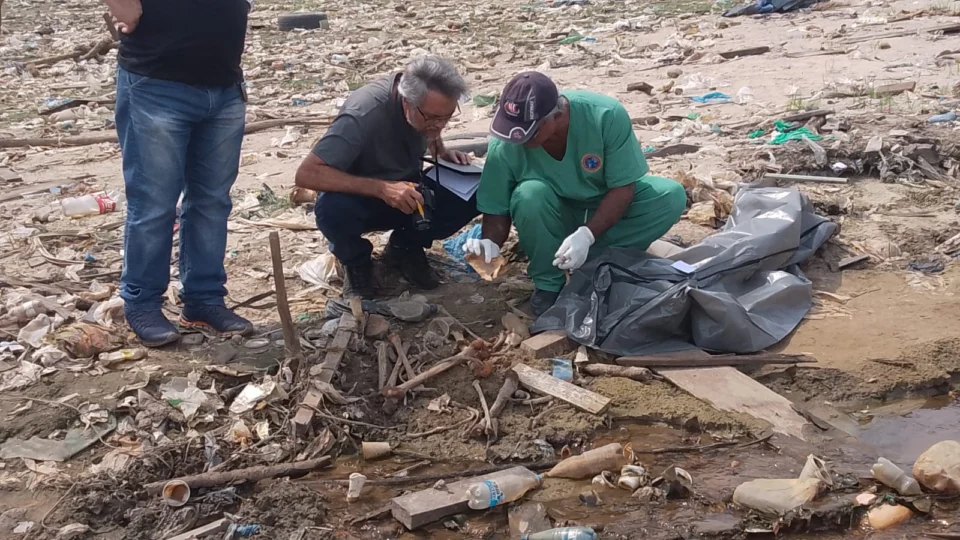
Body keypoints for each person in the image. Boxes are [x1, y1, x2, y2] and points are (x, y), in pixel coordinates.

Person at [465, 72, 687, 316]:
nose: (519, 139)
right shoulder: (506, 142)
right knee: (528, 194)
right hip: (551, 214)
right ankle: (550, 283)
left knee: (670, 196)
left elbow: (623, 187)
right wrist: (490, 243)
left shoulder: (604, 115)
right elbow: (496, 206)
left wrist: (587, 235)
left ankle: (598, 261)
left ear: (556, 115)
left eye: (530, 132)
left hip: (605, 207)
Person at [106, 0, 255, 346]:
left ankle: (204, 299)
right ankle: (142, 303)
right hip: (156, 81)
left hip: (224, 82)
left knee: (212, 202)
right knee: (154, 204)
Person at [295, 56, 478, 299]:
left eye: (447, 116)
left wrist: (442, 152)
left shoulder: (424, 110)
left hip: (409, 191)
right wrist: (382, 189)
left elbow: (431, 127)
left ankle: (404, 248)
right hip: (360, 199)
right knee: (331, 210)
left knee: (476, 190)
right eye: (434, 118)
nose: (441, 125)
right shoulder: (363, 113)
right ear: (407, 103)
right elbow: (306, 174)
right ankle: (357, 263)